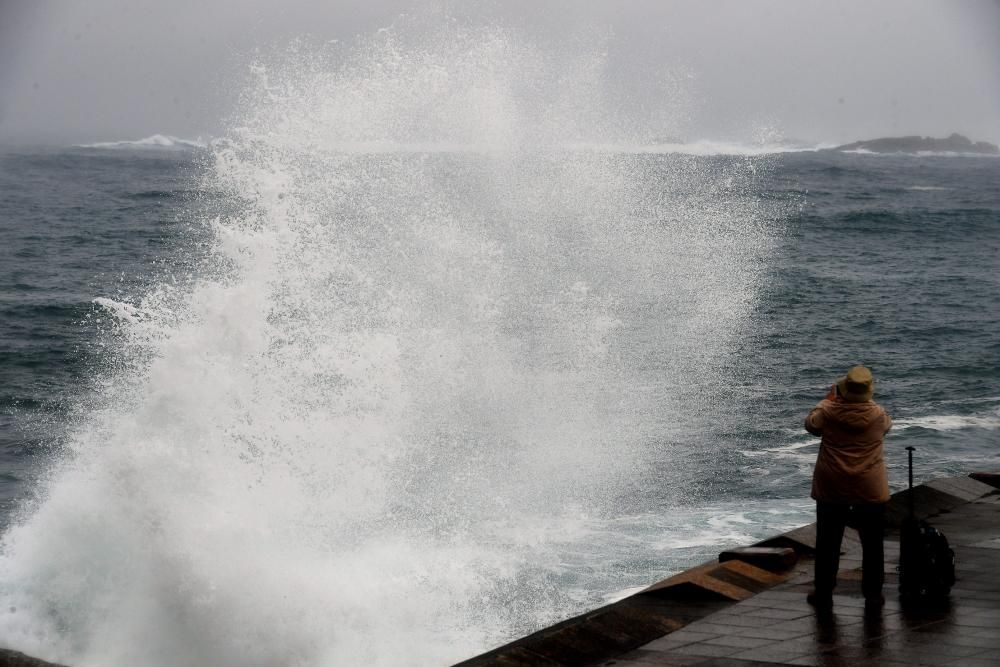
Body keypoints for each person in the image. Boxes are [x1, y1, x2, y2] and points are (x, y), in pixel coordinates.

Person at [804, 365, 892, 608]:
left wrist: (826, 400)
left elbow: (811, 425)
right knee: (873, 544)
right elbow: (886, 428)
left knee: (828, 542)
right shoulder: (879, 415)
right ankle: (873, 595)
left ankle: (823, 593)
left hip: (833, 484)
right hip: (869, 486)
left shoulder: (828, 411)